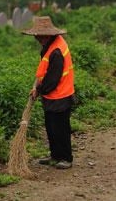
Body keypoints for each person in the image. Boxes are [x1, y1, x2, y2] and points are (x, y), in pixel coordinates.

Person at [22, 16, 75, 169]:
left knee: (61, 129)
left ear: (49, 35)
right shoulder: (50, 46)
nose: (39, 39)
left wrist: (38, 89)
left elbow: (52, 79)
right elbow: (45, 71)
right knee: (51, 128)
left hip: (61, 96)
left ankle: (66, 158)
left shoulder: (57, 51)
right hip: (52, 96)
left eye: (42, 37)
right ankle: (55, 156)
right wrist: (39, 87)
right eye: (37, 37)